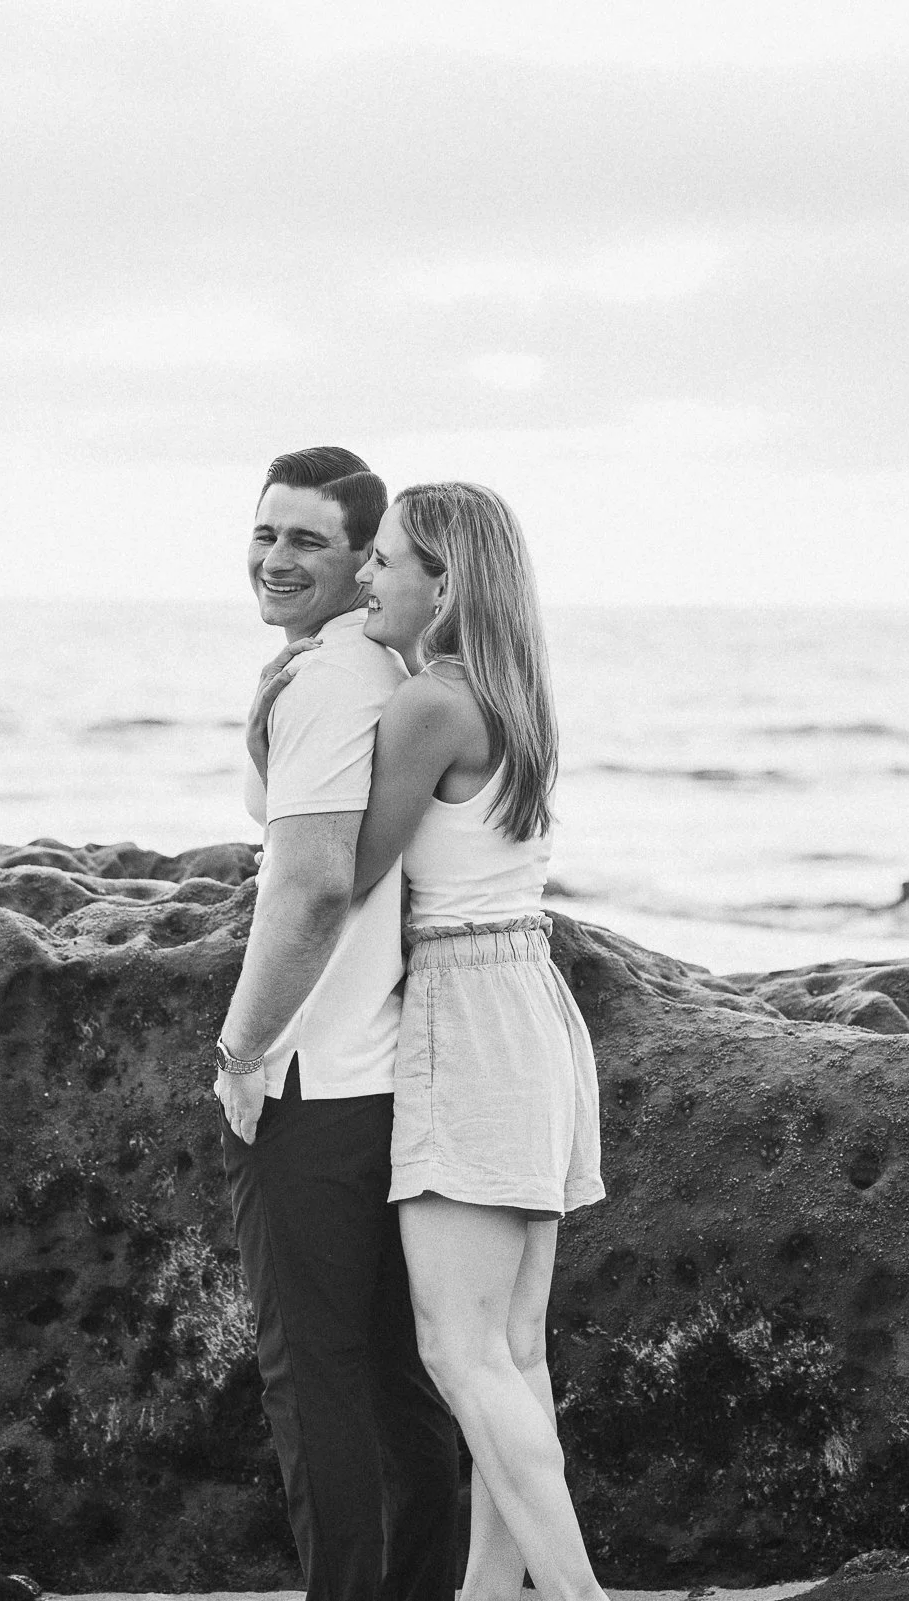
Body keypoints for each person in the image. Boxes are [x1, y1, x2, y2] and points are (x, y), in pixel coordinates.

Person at [249, 481, 607, 1601]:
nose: (368, 580)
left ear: (443, 583)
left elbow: (345, 872)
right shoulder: (511, 692)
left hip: (467, 1014)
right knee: (514, 1355)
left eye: (387, 563)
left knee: (458, 1352)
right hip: (533, 999)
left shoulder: (424, 706)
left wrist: (287, 723)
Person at [210, 446, 460, 1601]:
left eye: (307, 539)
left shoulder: (328, 686)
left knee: (312, 1381)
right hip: (387, 1069)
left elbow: (311, 886)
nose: (275, 557)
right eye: (266, 532)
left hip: (314, 1077)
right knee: (395, 1381)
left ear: (368, 563)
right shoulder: (379, 672)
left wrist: (241, 1047)